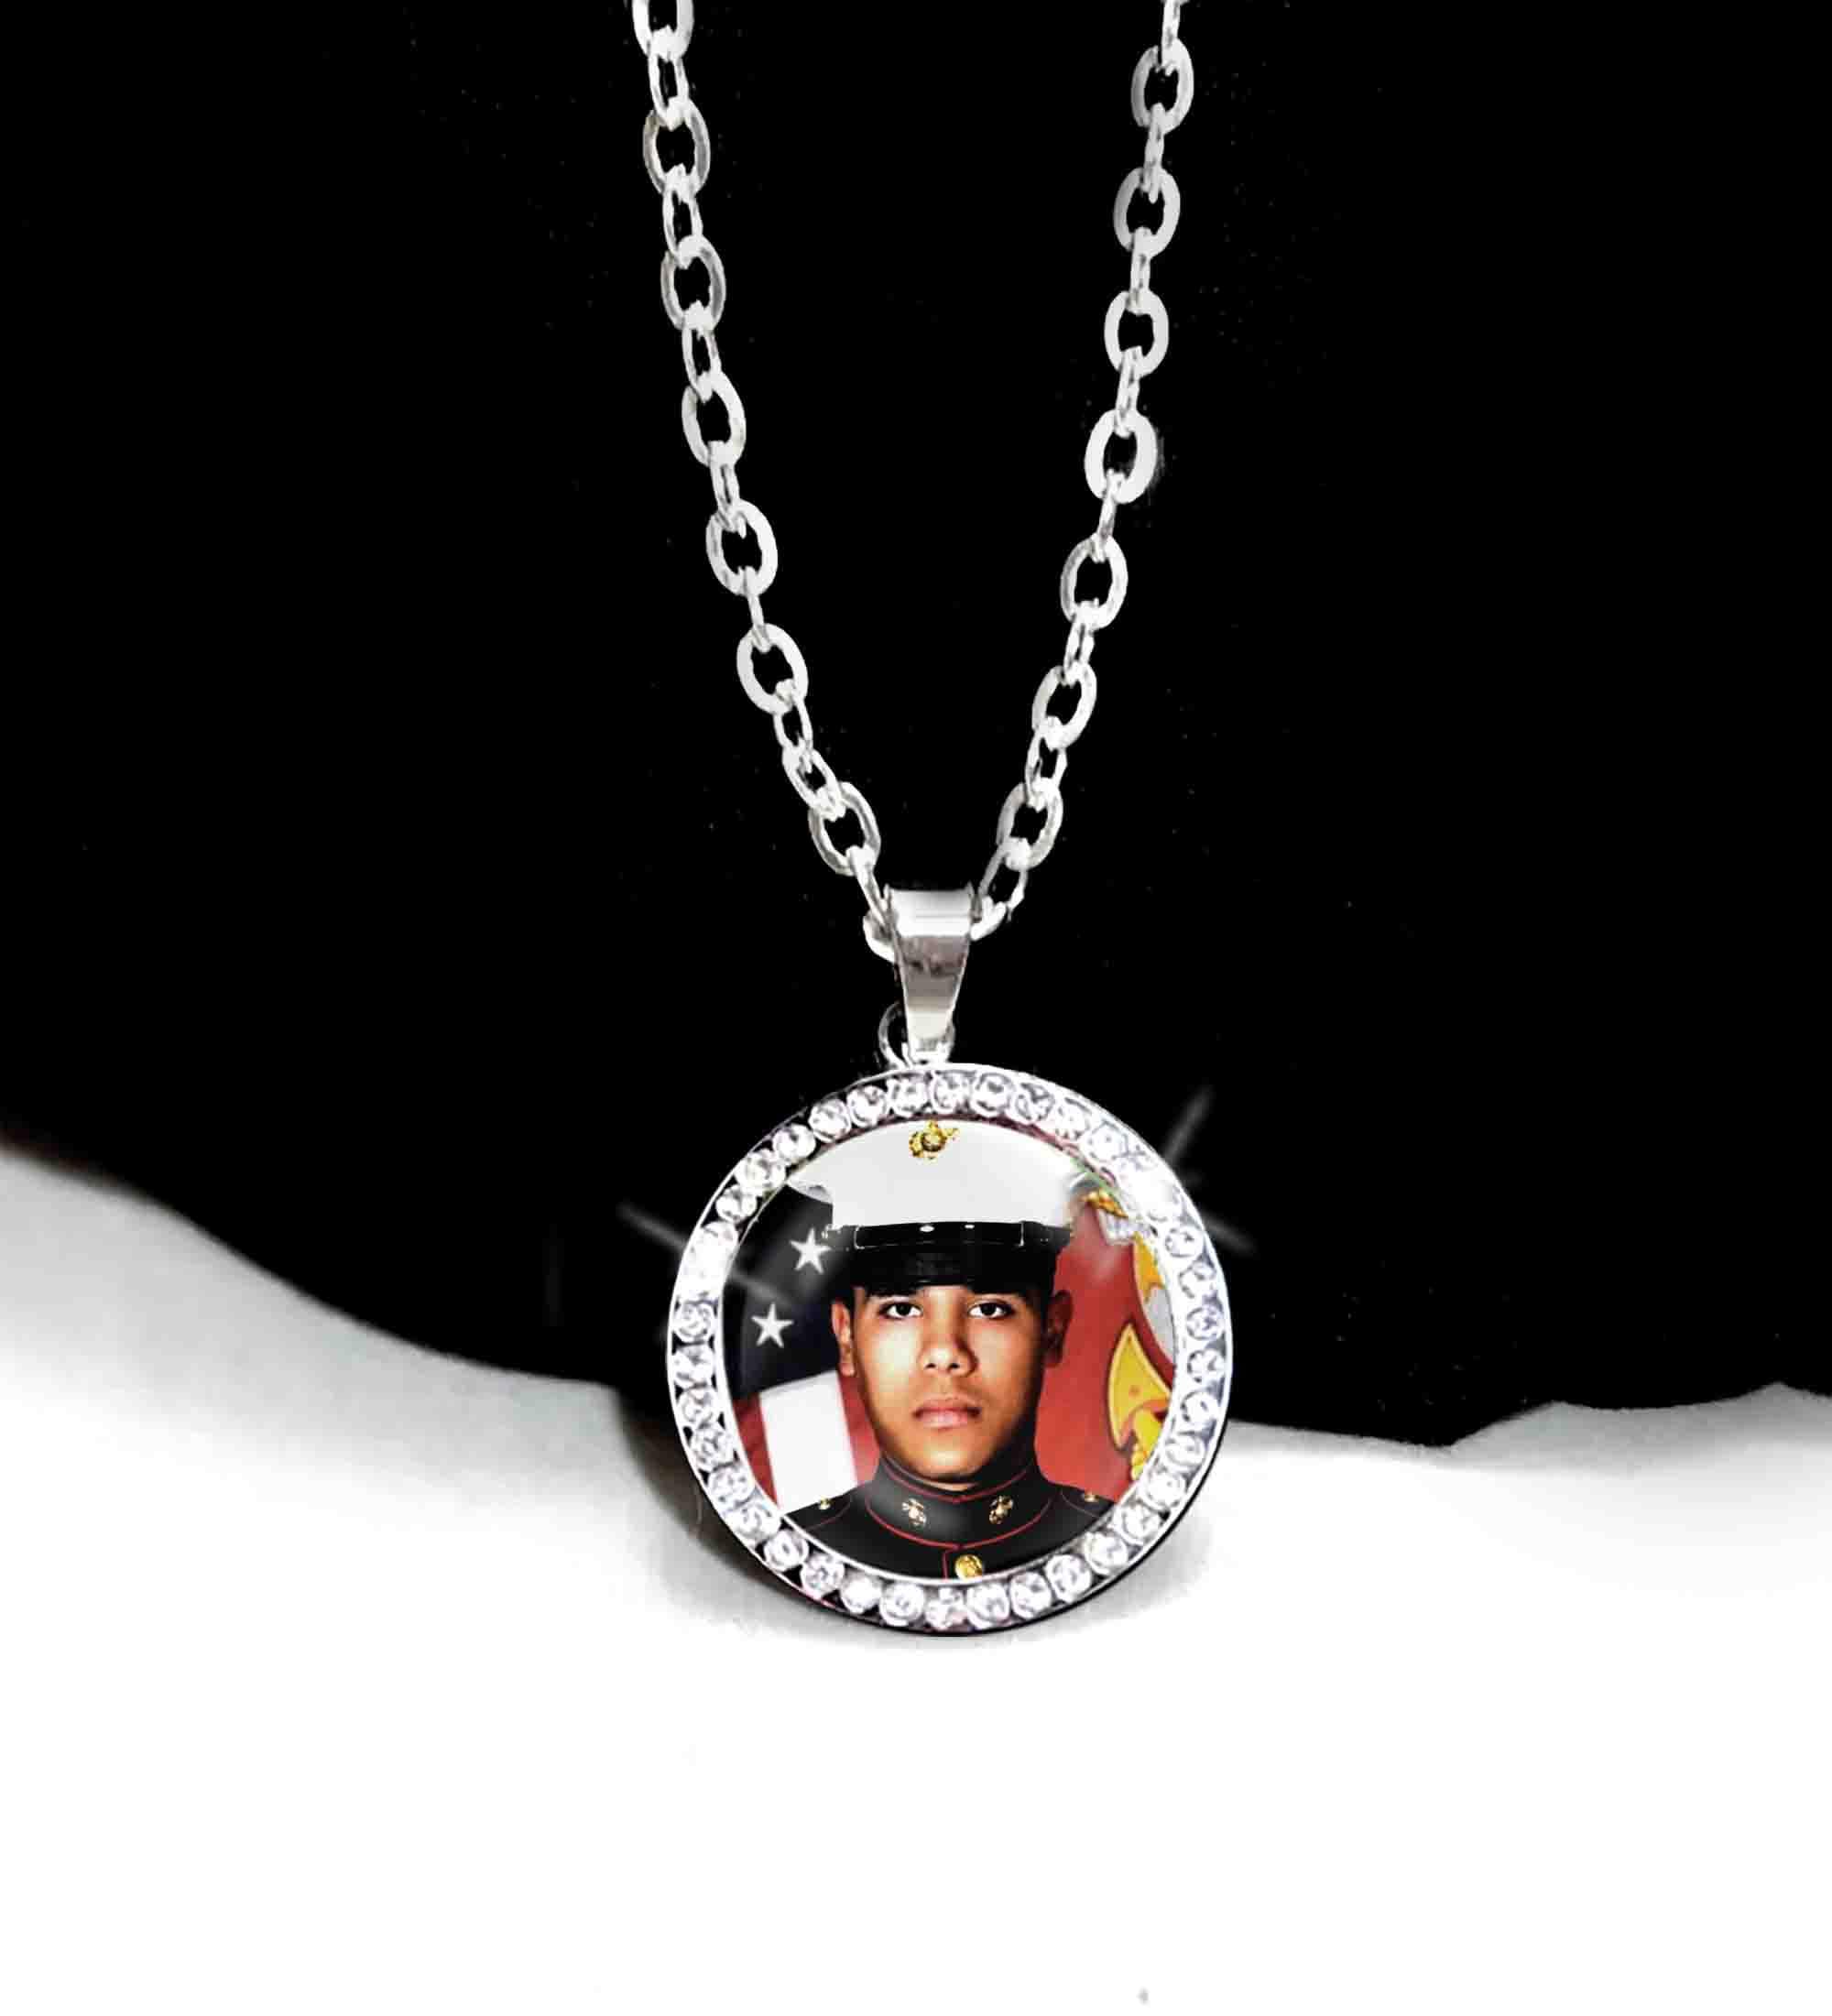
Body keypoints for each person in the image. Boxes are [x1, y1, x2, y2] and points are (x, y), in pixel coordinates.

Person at [784, 1117, 1113, 1579]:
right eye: (901, 1309)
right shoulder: (799, 1553)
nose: (945, 1353)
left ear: (1052, 1332)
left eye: (989, 1309)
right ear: (847, 1338)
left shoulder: (1111, 1542)